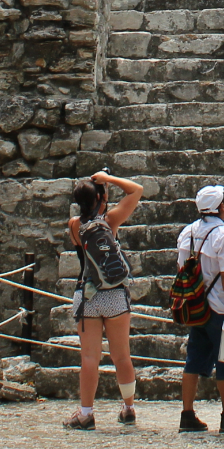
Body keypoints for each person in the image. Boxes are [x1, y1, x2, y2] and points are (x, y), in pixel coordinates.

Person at [64, 169, 143, 430]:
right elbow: (136, 190)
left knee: (89, 358)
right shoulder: (110, 220)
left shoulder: (75, 225)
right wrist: (108, 180)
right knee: (122, 356)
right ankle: (128, 408)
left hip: (87, 296)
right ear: (102, 197)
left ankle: (86, 413)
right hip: (115, 297)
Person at [176, 183, 224, 435]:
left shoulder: (187, 233)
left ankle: (187, 414)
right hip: (220, 307)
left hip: (196, 305)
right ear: (220, 207)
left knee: (194, 359)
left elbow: (182, 269)